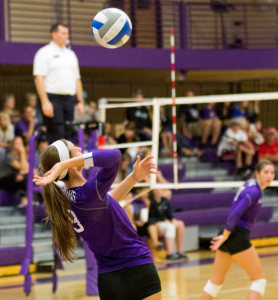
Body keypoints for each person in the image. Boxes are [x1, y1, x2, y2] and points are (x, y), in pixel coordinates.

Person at [33, 142, 161, 300]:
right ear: (68, 163)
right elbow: (114, 157)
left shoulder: (68, 197)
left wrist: (134, 178)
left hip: (108, 278)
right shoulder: (87, 193)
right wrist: (64, 164)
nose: (81, 149)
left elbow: (106, 204)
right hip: (135, 266)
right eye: (75, 149)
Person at [201, 159, 275, 300]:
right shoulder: (254, 192)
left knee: (215, 281)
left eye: (272, 173)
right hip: (236, 235)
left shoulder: (250, 184)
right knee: (259, 281)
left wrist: (225, 234)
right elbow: (235, 213)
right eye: (266, 172)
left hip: (230, 233)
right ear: (257, 173)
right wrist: (225, 235)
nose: (269, 176)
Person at [33, 23, 84, 144]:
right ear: (54, 34)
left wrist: (80, 101)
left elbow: (77, 79)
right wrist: (45, 102)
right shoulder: (44, 52)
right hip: (53, 99)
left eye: (67, 33)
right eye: (63, 33)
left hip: (69, 100)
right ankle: (56, 163)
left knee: (68, 134)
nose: (67, 35)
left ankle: (66, 162)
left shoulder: (71, 54)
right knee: (57, 135)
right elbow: (38, 78)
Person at [148, 189, 187, 260]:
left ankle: (179, 251)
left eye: (159, 190)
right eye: (156, 190)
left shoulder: (165, 200)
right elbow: (150, 218)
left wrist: (172, 220)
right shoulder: (150, 201)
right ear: (153, 191)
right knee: (170, 226)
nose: (158, 191)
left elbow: (169, 215)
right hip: (154, 224)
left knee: (180, 224)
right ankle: (170, 253)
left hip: (163, 222)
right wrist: (160, 222)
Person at [0, 137, 29, 206]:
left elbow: (26, 170)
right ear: (13, 145)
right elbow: (20, 167)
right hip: (4, 180)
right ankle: (24, 200)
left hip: (15, 180)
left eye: (20, 143)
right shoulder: (9, 156)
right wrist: (22, 153)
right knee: (20, 177)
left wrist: (22, 154)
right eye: (17, 143)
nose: (19, 145)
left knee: (26, 176)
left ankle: (27, 200)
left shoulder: (21, 158)